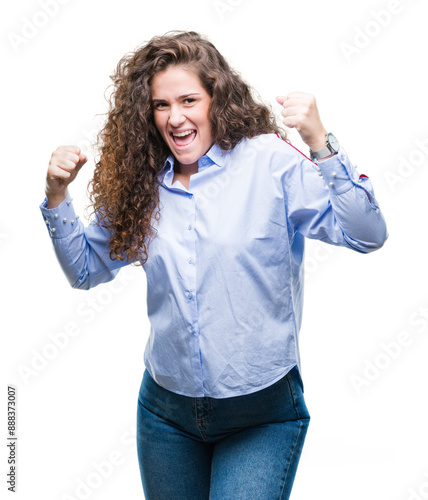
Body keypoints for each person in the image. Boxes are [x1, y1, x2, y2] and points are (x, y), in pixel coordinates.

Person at [40, 31, 388, 500]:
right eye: (161, 105)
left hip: (260, 414)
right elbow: (85, 270)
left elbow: (367, 234)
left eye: (189, 100)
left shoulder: (268, 162)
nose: (176, 117)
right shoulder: (142, 183)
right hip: (166, 416)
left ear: (216, 99)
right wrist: (57, 197)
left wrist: (320, 142)